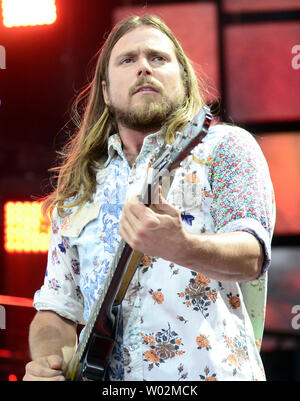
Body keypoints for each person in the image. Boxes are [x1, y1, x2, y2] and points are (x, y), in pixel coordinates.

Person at [23, 14, 275, 381]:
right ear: (106, 91)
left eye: (158, 58)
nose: (143, 67)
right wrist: (48, 363)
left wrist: (182, 245)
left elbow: (252, 253)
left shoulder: (224, 147)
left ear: (184, 81)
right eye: (128, 60)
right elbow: (56, 307)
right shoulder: (80, 189)